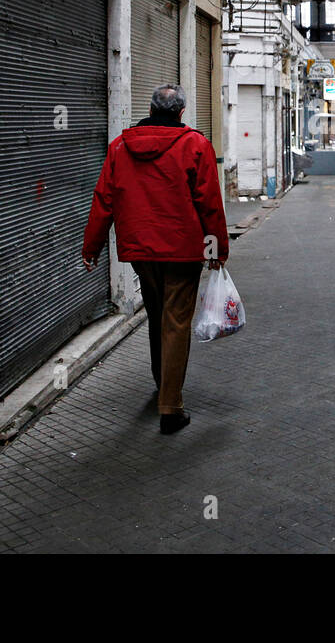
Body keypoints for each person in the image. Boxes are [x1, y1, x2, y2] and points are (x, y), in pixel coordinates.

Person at [82, 84, 228, 434]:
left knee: (158, 314)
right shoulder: (195, 145)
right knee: (176, 321)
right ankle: (171, 407)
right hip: (182, 250)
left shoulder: (120, 147)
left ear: (150, 109)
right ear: (180, 113)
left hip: (141, 251)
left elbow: (103, 199)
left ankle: (161, 384)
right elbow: (209, 202)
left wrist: (92, 247)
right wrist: (217, 249)